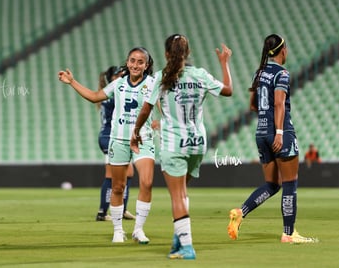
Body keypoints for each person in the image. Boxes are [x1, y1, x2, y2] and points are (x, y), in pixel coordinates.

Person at [130, 34, 233, 259]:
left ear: (167, 53)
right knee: (183, 193)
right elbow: (228, 90)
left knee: (177, 196)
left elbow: (146, 110)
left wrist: (136, 132)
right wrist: (224, 63)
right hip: (197, 144)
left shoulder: (160, 77)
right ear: (188, 53)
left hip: (173, 143)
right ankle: (178, 240)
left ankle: (187, 247)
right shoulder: (200, 75)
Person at [58, 46, 156, 244]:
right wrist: (72, 82)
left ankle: (138, 230)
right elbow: (95, 96)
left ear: (146, 66)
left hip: (143, 139)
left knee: (146, 182)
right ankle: (118, 231)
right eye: (132, 60)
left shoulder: (153, 84)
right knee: (118, 186)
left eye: (140, 62)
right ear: (127, 63)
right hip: (118, 140)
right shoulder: (118, 83)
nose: (135, 65)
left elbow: (163, 106)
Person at [227, 34, 318, 244]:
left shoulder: (258, 73)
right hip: (281, 132)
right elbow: (279, 103)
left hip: (261, 133)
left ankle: (241, 212)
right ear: (282, 50)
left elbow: (252, 105)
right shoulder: (282, 73)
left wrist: (267, 125)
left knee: (272, 184)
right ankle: (288, 233)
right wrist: (278, 131)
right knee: (289, 184)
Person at [96, 66, 135, 221]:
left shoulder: (113, 91)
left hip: (115, 135)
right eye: (118, 75)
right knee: (111, 174)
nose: (122, 76)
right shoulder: (112, 93)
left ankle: (122, 209)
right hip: (109, 136)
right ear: (112, 78)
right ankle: (102, 212)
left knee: (129, 173)